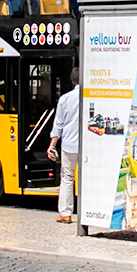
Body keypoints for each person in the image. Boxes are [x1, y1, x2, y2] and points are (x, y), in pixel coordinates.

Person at [47, 67, 82, 223]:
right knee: (85, 178)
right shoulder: (90, 98)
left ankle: (66, 213)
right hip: (87, 146)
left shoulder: (65, 99)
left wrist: (52, 145)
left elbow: (58, 125)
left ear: (72, 81)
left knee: (67, 178)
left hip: (69, 145)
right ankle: (88, 212)